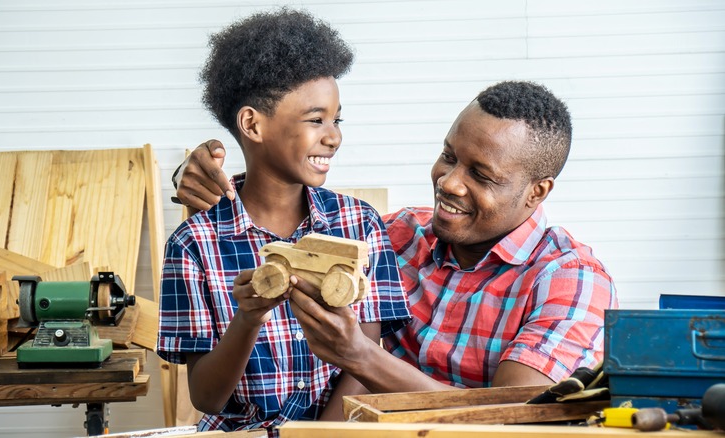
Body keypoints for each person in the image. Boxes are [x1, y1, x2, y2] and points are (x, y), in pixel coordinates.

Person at [173, 80, 619, 394]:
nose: (449, 182)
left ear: (536, 192)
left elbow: (511, 417)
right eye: (449, 156)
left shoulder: (572, 282)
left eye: (481, 175)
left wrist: (360, 356)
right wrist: (201, 177)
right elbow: (284, 225)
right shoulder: (398, 234)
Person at [156, 8, 410, 435]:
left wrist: (315, 436)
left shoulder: (359, 223)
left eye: (336, 119)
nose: (334, 136)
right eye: (316, 120)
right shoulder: (193, 243)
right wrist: (248, 317)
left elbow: (363, 362)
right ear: (252, 124)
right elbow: (206, 396)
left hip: (333, 432)